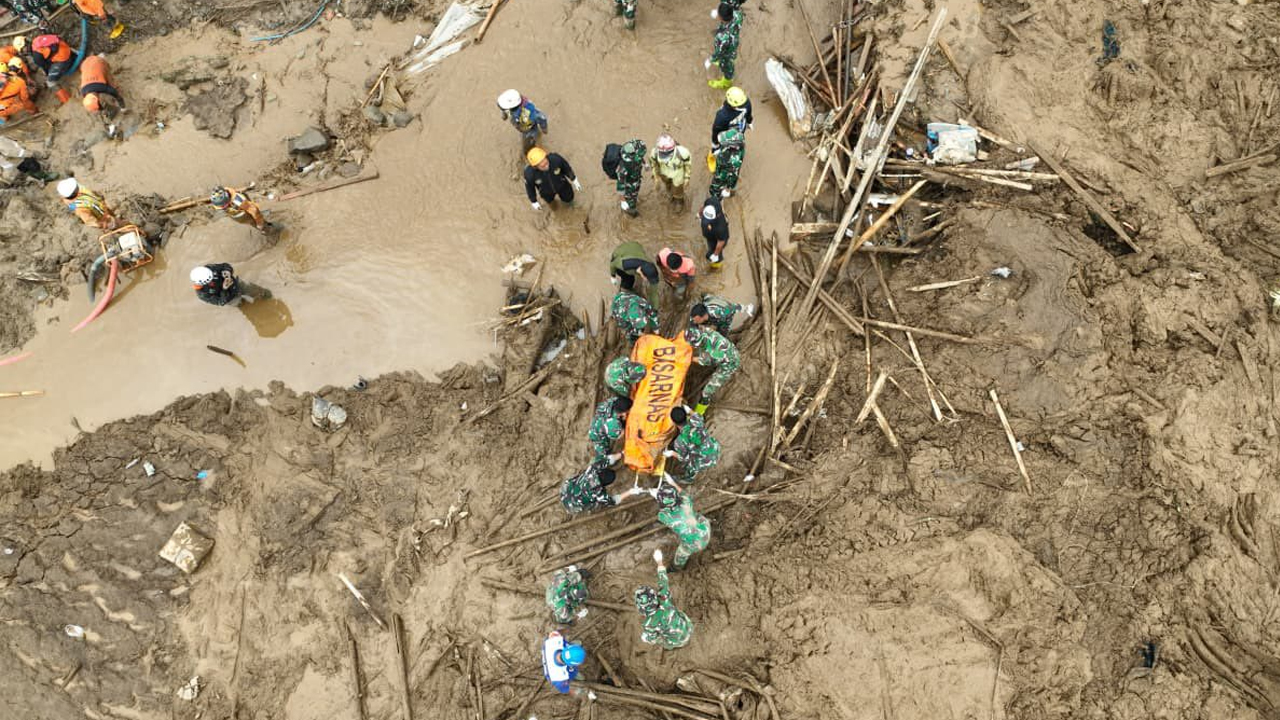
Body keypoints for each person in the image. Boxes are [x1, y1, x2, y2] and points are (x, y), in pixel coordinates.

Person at [634, 549, 693, 649]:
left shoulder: (649, 624)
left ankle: (675, 645)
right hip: (687, 626)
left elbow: (652, 639)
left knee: (657, 640)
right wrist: (659, 561)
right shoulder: (664, 597)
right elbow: (663, 579)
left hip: (677, 641)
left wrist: (646, 638)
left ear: (641, 608)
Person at [684, 325, 740, 413]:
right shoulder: (706, 331)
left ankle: (700, 411)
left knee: (706, 392)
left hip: (729, 364)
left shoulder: (714, 355)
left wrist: (686, 358)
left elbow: (701, 360)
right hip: (728, 350)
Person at [664, 406, 720, 484]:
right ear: (686, 416)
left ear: (674, 423)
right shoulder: (696, 420)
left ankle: (689, 477)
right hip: (715, 451)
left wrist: (671, 453)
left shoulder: (679, 442)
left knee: (690, 462)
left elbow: (684, 458)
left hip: (704, 462)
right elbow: (696, 415)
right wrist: (689, 410)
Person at [190, 263, 270, 307]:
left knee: (257, 291)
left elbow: (225, 265)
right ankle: (243, 305)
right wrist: (224, 289)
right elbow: (221, 302)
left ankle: (267, 295)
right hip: (230, 298)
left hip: (236, 284)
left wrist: (227, 271)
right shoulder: (202, 294)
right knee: (241, 305)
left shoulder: (209, 268)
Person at [541, 631, 592, 696]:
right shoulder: (559, 678)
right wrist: (578, 692)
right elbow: (565, 690)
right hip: (553, 672)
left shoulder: (554, 641)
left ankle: (574, 649)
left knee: (565, 644)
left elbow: (553, 633)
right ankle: (574, 675)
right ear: (571, 664)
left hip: (550, 652)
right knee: (572, 673)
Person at [610, 241, 660, 306]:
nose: (646, 280)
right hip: (621, 253)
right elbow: (613, 264)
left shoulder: (652, 269)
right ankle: (624, 292)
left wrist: (654, 309)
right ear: (640, 271)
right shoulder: (626, 264)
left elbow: (654, 293)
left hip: (636, 247)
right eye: (645, 277)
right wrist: (613, 276)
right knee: (629, 280)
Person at [704, 2, 742, 90]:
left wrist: (711, 59)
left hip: (726, 52)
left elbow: (719, 52)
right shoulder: (738, 16)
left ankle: (726, 82)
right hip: (734, 42)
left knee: (726, 65)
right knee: (729, 57)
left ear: (721, 17)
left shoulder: (722, 37)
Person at [650, 134, 692, 209]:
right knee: (667, 185)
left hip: (677, 174)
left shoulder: (683, 153)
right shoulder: (654, 153)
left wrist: (687, 178)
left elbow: (688, 165)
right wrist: (656, 177)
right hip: (664, 173)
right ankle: (670, 193)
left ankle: (679, 201)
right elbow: (653, 164)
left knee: (678, 188)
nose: (665, 156)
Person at [210, 186, 275, 234]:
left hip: (247, 214)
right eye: (220, 206)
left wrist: (259, 224)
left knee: (260, 225)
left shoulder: (238, 201)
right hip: (240, 216)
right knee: (252, 222)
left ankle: (270, 231)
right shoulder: (218, 200)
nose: (222, 207)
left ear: (228, 198)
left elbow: (254, 210)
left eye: (223, 205)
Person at [79, 54, 125, 118]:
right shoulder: (83, 91)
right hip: (85, 64)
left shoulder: (102, 87)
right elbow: (94, 103)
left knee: (111, 83)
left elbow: (116, 94)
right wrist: (102, 110)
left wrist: (123, 108)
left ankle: (101, 58)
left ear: (97, 98)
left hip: (98, 62)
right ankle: (97, 58)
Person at [587, 396, 631, 463]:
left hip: (600, 416)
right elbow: (619, 436)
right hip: (597, 435)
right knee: (603, 460)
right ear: (623, 414)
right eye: (627, 413)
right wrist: (622, 454)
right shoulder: (613, 425)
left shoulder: (614, 401)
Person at [709, 128, 744, 199]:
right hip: (723, 165)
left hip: (723, 173)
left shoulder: (734, 161)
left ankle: (717, 197)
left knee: (714, 189)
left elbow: (733, 175)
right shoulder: (738, 140)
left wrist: (728, 188)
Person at [615, 139, 646, 217]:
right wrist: (622, 201)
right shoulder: (623, 168)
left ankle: (634, 198)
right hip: (629, 186)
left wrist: (645, 164)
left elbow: (640, 158)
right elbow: (620, 186)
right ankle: (632, 213)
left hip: (636, 179)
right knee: (630, 203)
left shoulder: (636, 150)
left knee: (635, 193)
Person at [699, 197, 729, 267]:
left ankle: (716, 264)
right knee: (710, 245)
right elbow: (704, 206)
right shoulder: (712, 202)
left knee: (715, 251)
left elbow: (721, 242)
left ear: (716, 216)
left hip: (716, 239)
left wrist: (715, 254)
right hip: (709, 235)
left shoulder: (720, 228)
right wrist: (700, 214)